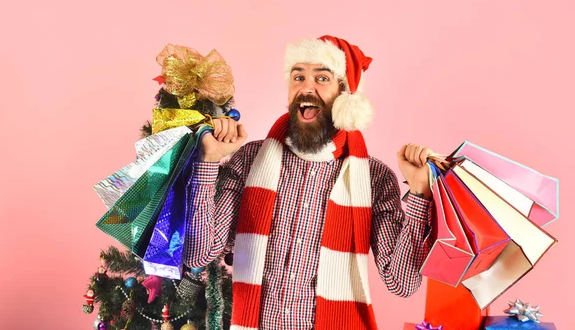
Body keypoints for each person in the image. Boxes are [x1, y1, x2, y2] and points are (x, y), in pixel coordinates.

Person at [184, 35, 435, 330]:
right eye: (298, 76)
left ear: (344, 94)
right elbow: (198, 254)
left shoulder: (374, 178)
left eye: (322, 78)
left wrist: (419, 194)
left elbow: (401, 284)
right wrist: (208, 162)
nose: (306, 87)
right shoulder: (250, 159)